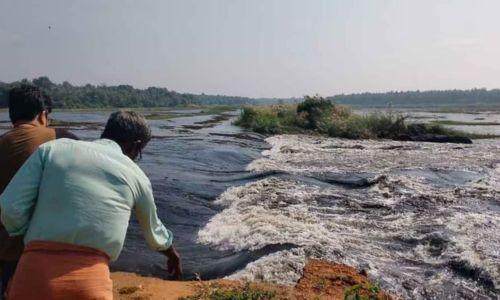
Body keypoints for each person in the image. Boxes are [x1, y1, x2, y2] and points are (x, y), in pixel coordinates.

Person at [0, 111, 181, 299]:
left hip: (33, 274)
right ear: (135, 146)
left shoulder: (52, 150)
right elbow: (154, 233)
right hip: (89, 283)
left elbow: (10, 208)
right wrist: (172, 255)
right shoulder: (137, 176)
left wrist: (31, 240)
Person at [0, 85, 77, 298]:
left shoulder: (2, 142)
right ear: (43, 114)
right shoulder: (62, 138)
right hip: (49, 248)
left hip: (7, 250)